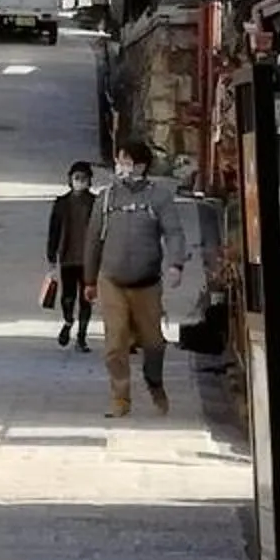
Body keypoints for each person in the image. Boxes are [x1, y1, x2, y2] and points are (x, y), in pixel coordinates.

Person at [87, 136, 183, 418]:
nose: (122, 167)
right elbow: (93, 239)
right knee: (115, 343)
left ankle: (154, 382)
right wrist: (89, 280)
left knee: (153, 343)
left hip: (147, 283)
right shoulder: (106, 199)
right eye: (119, 161)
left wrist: (176, 264)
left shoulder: (158, 197)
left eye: (128, 162)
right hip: (111, 280)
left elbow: (174, 233)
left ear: (142, 166)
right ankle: (120, 398)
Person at [44, 160, 98, 351]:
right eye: (76, 178)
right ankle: (68, 322)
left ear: (89, 181)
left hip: (89, 260)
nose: (80, 181)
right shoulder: (61, 204)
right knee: (67, 297)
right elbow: (54, 231)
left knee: (86, 298)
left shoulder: (96, 203)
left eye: (84, 178)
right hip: (67, 257)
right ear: (70, 180)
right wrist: (51, 256)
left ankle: (82, 337)